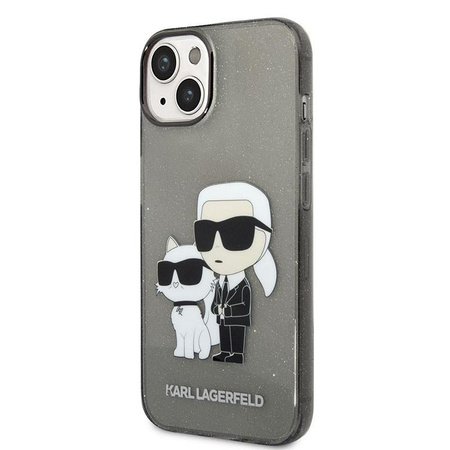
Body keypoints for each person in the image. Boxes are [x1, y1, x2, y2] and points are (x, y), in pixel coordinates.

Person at [195, 182, 277, 363]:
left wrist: (228, 309)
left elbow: (244, 304)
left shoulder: (243, 285)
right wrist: (216, 308)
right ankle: (225, 352)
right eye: (206, 232)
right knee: (224, 333)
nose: (217, 245)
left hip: (237, 319)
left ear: (264, 235)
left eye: (238, 232)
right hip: (223, 318)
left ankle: (237, 354)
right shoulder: (219, 283)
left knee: (237, 336)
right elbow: (216, 300)